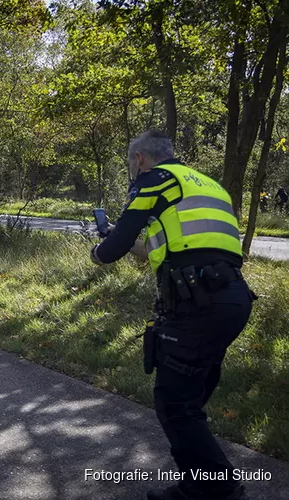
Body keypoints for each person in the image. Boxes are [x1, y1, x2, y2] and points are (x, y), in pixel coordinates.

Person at [90, 130, 254, 500]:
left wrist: (99, 252)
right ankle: (199, 483)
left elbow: (111, 251)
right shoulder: (207, 185)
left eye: (132, 163)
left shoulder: (154, 180)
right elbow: (162, 249)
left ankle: (216, 490)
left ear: (141, 159)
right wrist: (128, 238)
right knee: (190, 400)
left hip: (196, 304)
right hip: (232, 299)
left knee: (175, 403)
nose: (133, 170)